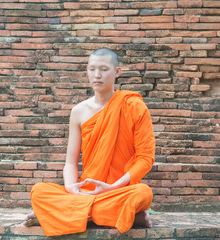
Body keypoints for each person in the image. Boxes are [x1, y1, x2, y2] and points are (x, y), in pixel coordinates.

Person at [23, 47, 155, 237]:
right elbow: (70, 162)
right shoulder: (79, 111)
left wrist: (112, 187)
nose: (97, 75)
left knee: (143, 193)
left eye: (103, 69)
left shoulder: (134, 106)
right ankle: (124, 216)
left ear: (117, 72)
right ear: (87, 70)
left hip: (119, 191)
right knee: (39, 191)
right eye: (92, 69)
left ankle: (57, 214)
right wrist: (70, 187)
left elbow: (145, 157)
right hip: (87, 190)